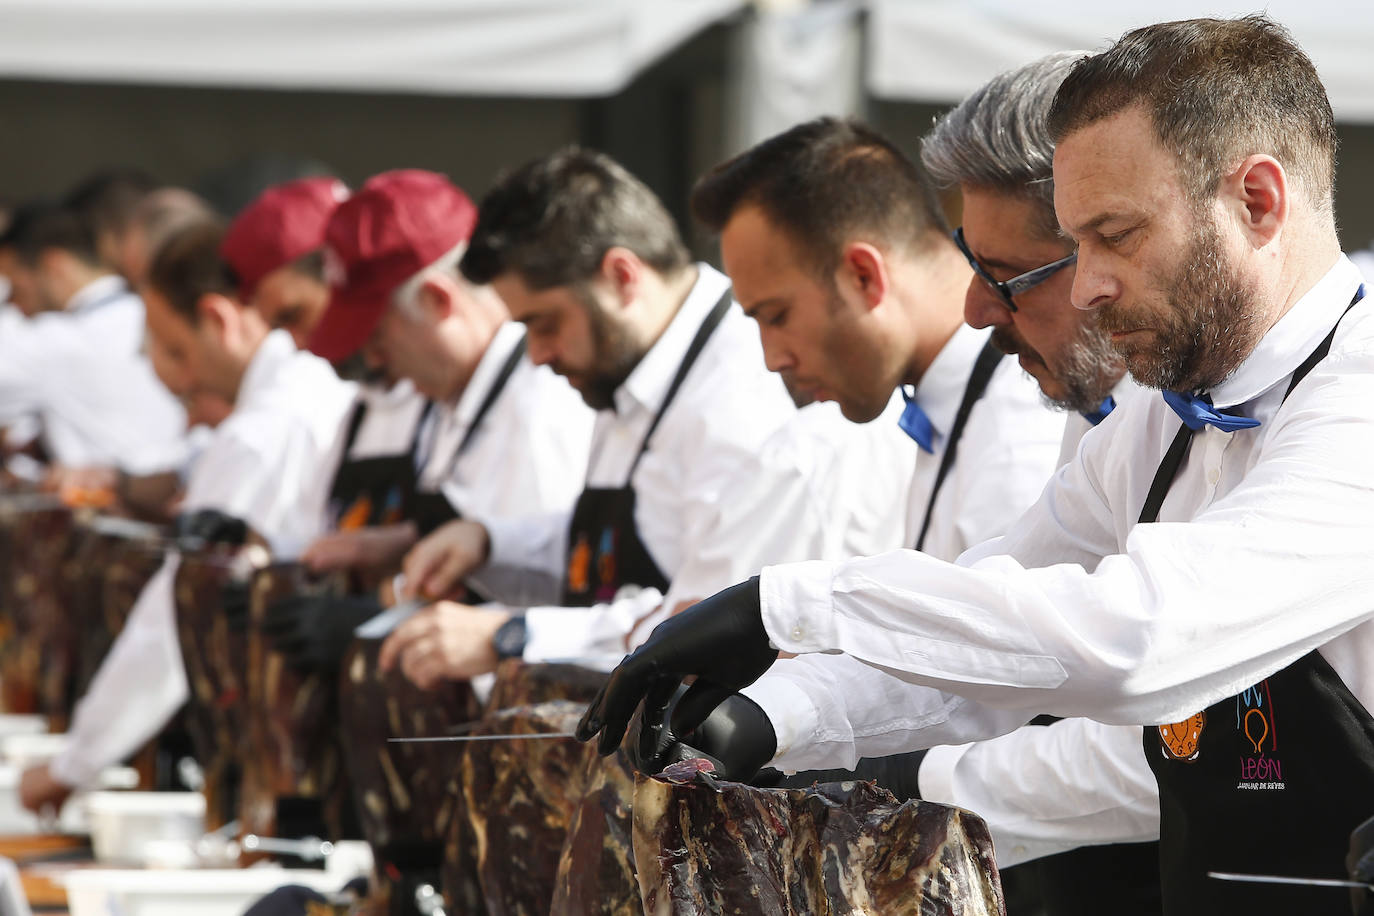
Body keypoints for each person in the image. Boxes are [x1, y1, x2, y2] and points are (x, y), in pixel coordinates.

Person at [579, 16, 1374, 916]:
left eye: (1116, 236)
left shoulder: (1362, 399)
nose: (1086, 287)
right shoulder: (1159, 419)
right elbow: (990, 604)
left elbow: (1137, 638)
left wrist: (789, 605)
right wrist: (773, 716)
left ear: (1259, 201)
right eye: (1076, 247)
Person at [383, 148, 833, 686]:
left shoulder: (738, 403)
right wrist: (489, 542)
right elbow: (626, 541)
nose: (537, 355)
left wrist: (512, 634)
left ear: (622, 276)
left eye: (544, 323)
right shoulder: (627, 366)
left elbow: (710, 626)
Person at [19, 217, 358, 814]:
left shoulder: (264, 428)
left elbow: (172, 616)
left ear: (220, 320)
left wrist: (76, 764)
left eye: (176, 350)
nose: (181, 377)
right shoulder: (287, 401)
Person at [260, 169, 594, 675]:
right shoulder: (448, 398)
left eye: (379, 338)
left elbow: (550, 593)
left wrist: (377, 618)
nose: (372, 362)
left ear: (439, 301)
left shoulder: (539, 407)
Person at [0, 200, 187, 473]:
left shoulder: (55, 341)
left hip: (122, 503)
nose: (13, 304)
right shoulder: (145, 311)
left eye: (14, 287)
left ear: (54, 266)